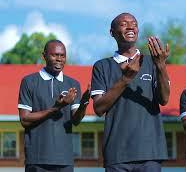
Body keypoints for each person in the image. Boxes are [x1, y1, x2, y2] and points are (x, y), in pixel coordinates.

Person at [90, 12, 170, 172]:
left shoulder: (153, 62)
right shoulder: (102, 66)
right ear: (112, 32)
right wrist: (125, 79)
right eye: (124, 23)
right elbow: (98, 109)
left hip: (150, 153)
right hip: (117, 154)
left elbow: (164, 99)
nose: (130, 26)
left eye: (134, 23)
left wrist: (161, 65)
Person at [18, 40, 90, 172]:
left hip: (65, 161)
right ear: (44, 56)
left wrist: (84, 103)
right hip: (37, 160)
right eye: (54, 55)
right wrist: (56, 108)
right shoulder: (29, 81)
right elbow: (25, 119)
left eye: (62, 56)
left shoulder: (73, 84)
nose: (59, 59)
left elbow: (76, 121)